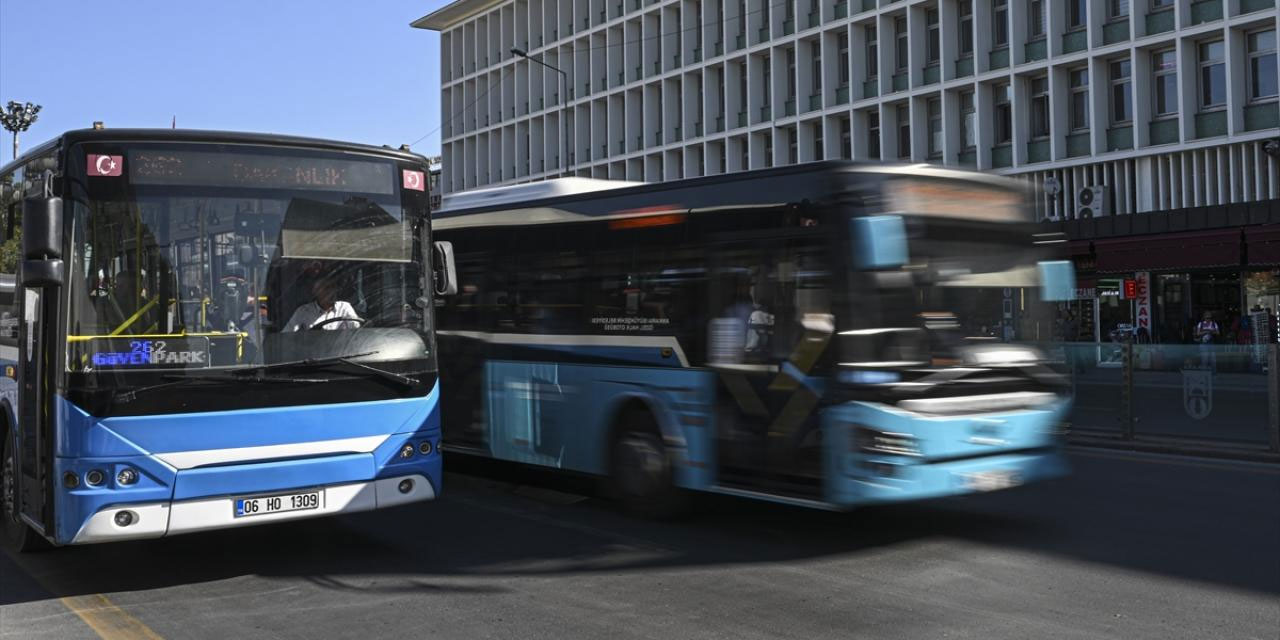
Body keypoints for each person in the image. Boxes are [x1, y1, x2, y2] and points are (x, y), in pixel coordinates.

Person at [284, 277, 361, 332]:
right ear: (315, 291)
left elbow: (356, 332)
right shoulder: (303, 311)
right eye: (326, 288)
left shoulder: (345, 307)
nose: (331, 291)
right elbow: (287, 335)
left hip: (343, 351)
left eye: (333, 287)